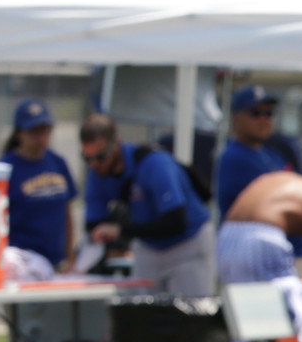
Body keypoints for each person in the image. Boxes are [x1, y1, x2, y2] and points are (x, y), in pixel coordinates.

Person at [80, 114, 215, 294]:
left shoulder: (155, 164)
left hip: (187, 245)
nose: (95, 164)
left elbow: (176, 222)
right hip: (149, 248)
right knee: (145, 316)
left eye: (101, 156)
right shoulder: (97, 174)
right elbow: (93, 224)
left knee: (190, 316)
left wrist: (121, 231)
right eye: (88, 158)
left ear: (116, 144)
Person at [218, 171, 302, 280]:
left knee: (243, 305)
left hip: (227, 236)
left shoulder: (291, 184)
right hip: (262, 239)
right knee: (284, 306)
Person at [1, 98, 77, 275]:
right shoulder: (5, 169)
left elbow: (67, 213)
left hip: (57, 264)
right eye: (34, 132)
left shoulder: (58, 163)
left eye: (45, 131)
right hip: (22, 266)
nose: (41, 138)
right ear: (19, 133)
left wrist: (70, 258)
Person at [214, 84, 295, 219]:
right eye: (255, 113)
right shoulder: (235, 157)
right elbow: (283, 201)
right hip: (248, 236)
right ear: (236, 118)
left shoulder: (270, 153)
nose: (264, 120)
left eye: (268, 113)